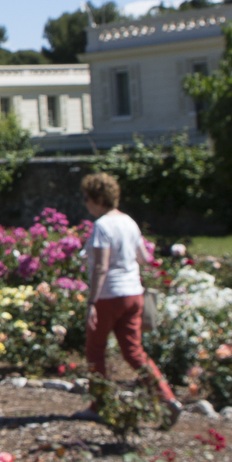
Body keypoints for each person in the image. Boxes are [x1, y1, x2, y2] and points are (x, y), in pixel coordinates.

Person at [79, 171, 180, 426]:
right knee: (134, 351)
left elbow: (101, 267)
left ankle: (98, 404)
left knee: (96, 351)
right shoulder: (129, 221)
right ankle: (166, 397)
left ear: (98, 198)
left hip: (108, 295)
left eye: (87, 198)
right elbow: (144, 258)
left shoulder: (102, 225)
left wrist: (91, 302)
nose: (85, 203)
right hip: (133, 293)